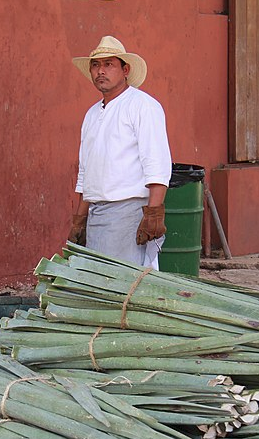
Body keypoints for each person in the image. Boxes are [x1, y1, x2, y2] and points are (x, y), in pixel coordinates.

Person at [68, 35, 172, 267]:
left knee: (122, 287)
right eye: (96, 65)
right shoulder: (92, 114)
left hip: (128, 211)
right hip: (97, 213)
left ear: (125, 69)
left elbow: (157, 166)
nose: (101, 71)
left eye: (109, 64)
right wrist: (80, 219)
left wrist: (153, 214)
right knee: (100, 286)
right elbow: (85, 173)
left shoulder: (142, 106)